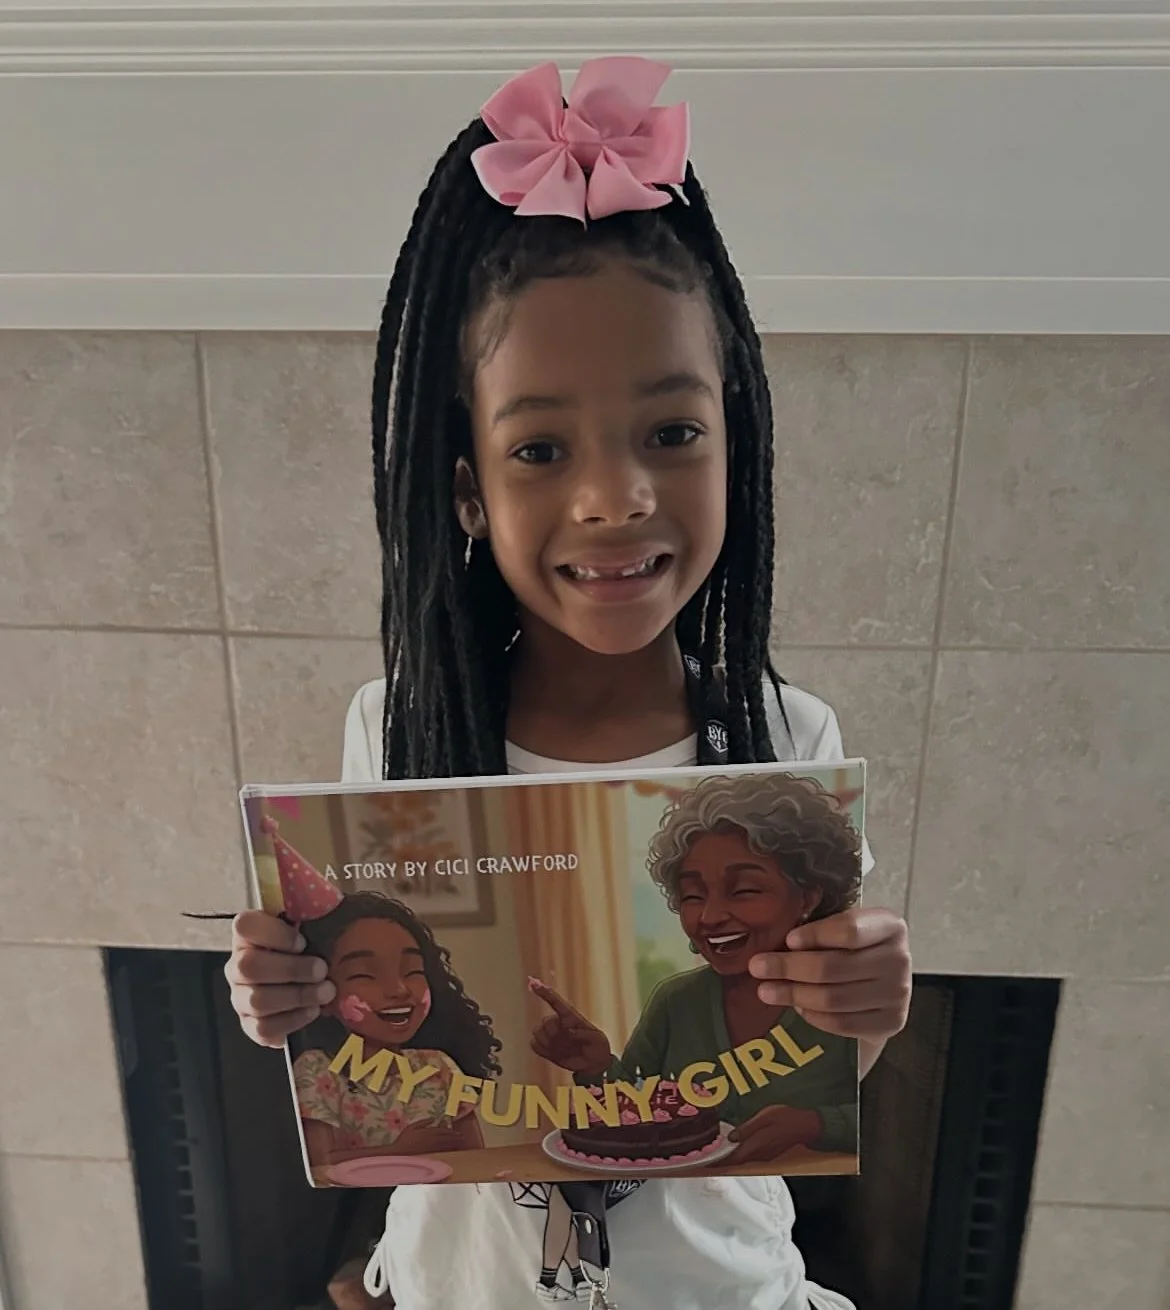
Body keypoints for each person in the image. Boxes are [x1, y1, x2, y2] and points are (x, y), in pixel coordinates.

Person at [225, 55, 912, 1310]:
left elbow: (814, 1071)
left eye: (673, 432)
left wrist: (866, 1007)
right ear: (468, 490)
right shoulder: (396, 730)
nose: (615, 497)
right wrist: (290, 996)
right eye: (541, 447)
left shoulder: (783, 736)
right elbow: (364, 1030)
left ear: (736, 444)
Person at [531, 772, 864, 1165]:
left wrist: (816, 1124)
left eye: (744, 890)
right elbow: (640, 1115)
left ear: (808, 898)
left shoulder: (853, 997)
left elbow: (902, 1125)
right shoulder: (676, 1001)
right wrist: (597, 1066)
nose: (710, 916)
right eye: (693, 895)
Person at [292, 891, 500, 1167]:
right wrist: (399, 1151)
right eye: (365, 974)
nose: (399, 990)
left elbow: (477, 1158)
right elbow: (319, 1165)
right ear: (322, 994)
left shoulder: (439, 1066)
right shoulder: (317, 1071)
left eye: (412, 971)